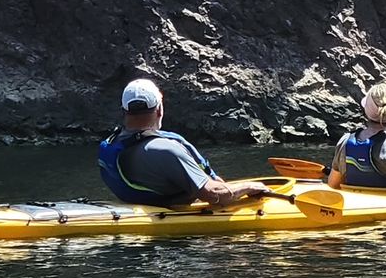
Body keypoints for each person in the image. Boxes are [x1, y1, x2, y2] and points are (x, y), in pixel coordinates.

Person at [97, 78, 268, 208]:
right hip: (173, 230)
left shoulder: (110, 144)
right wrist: (250, 187)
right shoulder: (166, 150)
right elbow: (215, 195)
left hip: (136, 212)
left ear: (124, 111)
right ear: (159, 109)